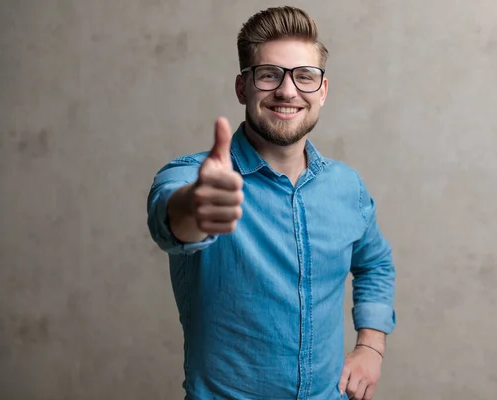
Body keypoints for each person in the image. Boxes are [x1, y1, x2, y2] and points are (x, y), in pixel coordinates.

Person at [146, 6, 396, 400]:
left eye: (305, 76)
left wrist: (371, 346)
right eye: (269, 74)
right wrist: (196, 208)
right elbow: (171, 218)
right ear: (243, 87)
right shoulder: (195, 177)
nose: (287, 90)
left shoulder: (347, 187)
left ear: (323, 91)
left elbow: (375, 263)